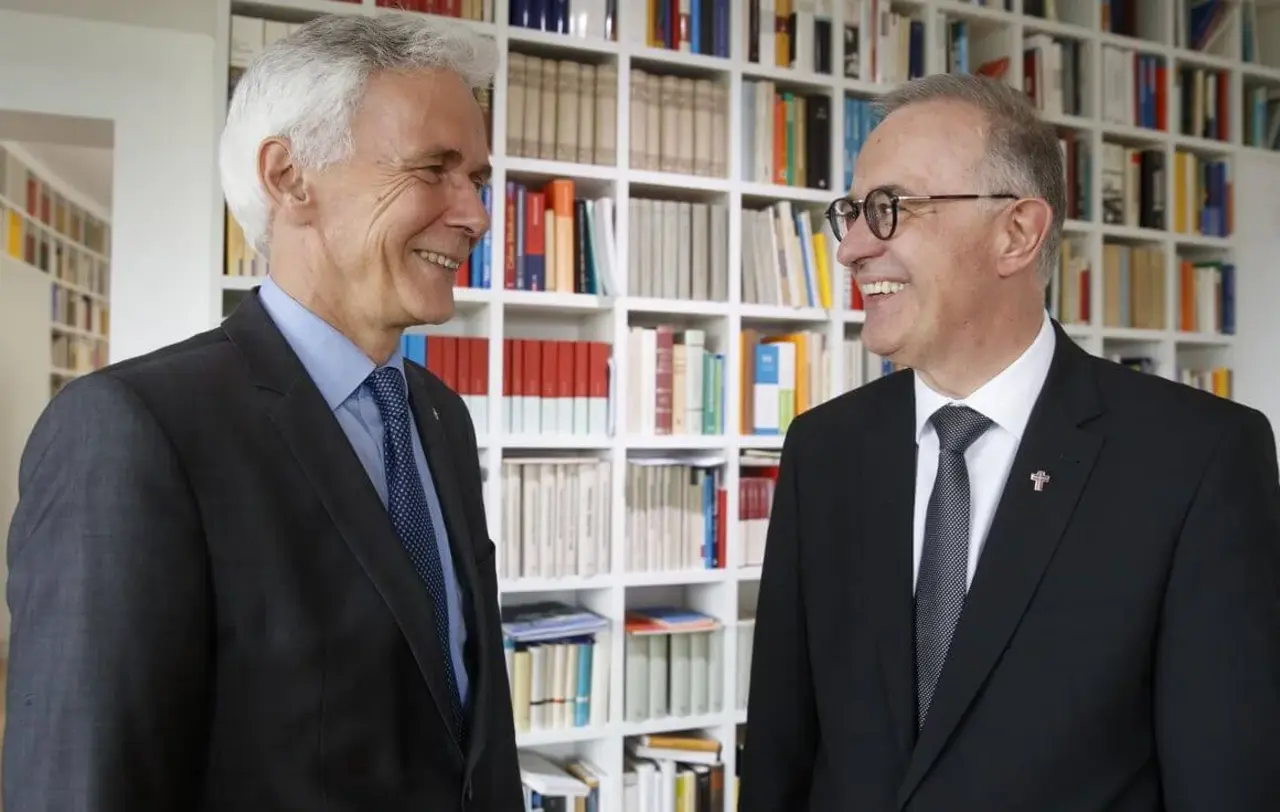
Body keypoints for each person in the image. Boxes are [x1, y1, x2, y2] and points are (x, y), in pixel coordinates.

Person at [3, 13, 523, 812]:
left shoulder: (440, 417)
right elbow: (83, 785)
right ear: (289, 178)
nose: (477, 216)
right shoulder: (131, 430)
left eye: (477, 180)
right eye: (433, 170)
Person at [739, 72, 1280, 812]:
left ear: (1017, 233)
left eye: (890, 208)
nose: (852, 248)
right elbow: (781, 753)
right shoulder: (823, 450)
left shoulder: (1199, 460)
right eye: (853, 213)